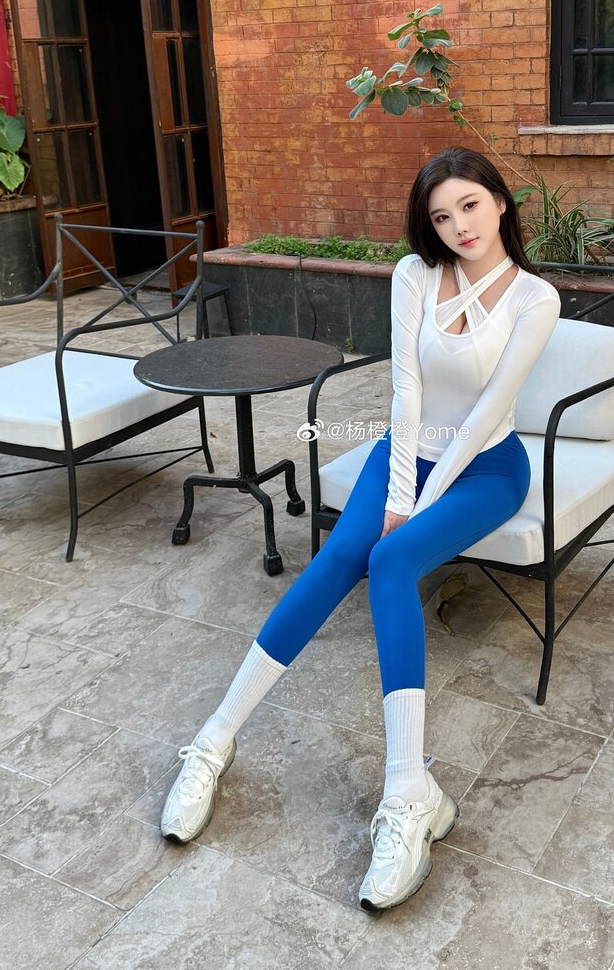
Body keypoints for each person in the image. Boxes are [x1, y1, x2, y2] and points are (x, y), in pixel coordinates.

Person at [160, 146, 561, 912]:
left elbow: (484, 415)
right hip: (405, 451)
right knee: (343, 550)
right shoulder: (415, 275)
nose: (458, 225)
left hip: (486, 468)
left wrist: (417, 505)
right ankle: (213, 740)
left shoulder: (535, 298)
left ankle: (410, 795)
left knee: (395, 560)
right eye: (441, 215)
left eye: (470, 205)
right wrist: (400, 488)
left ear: (500, 202)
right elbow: (406, 389)